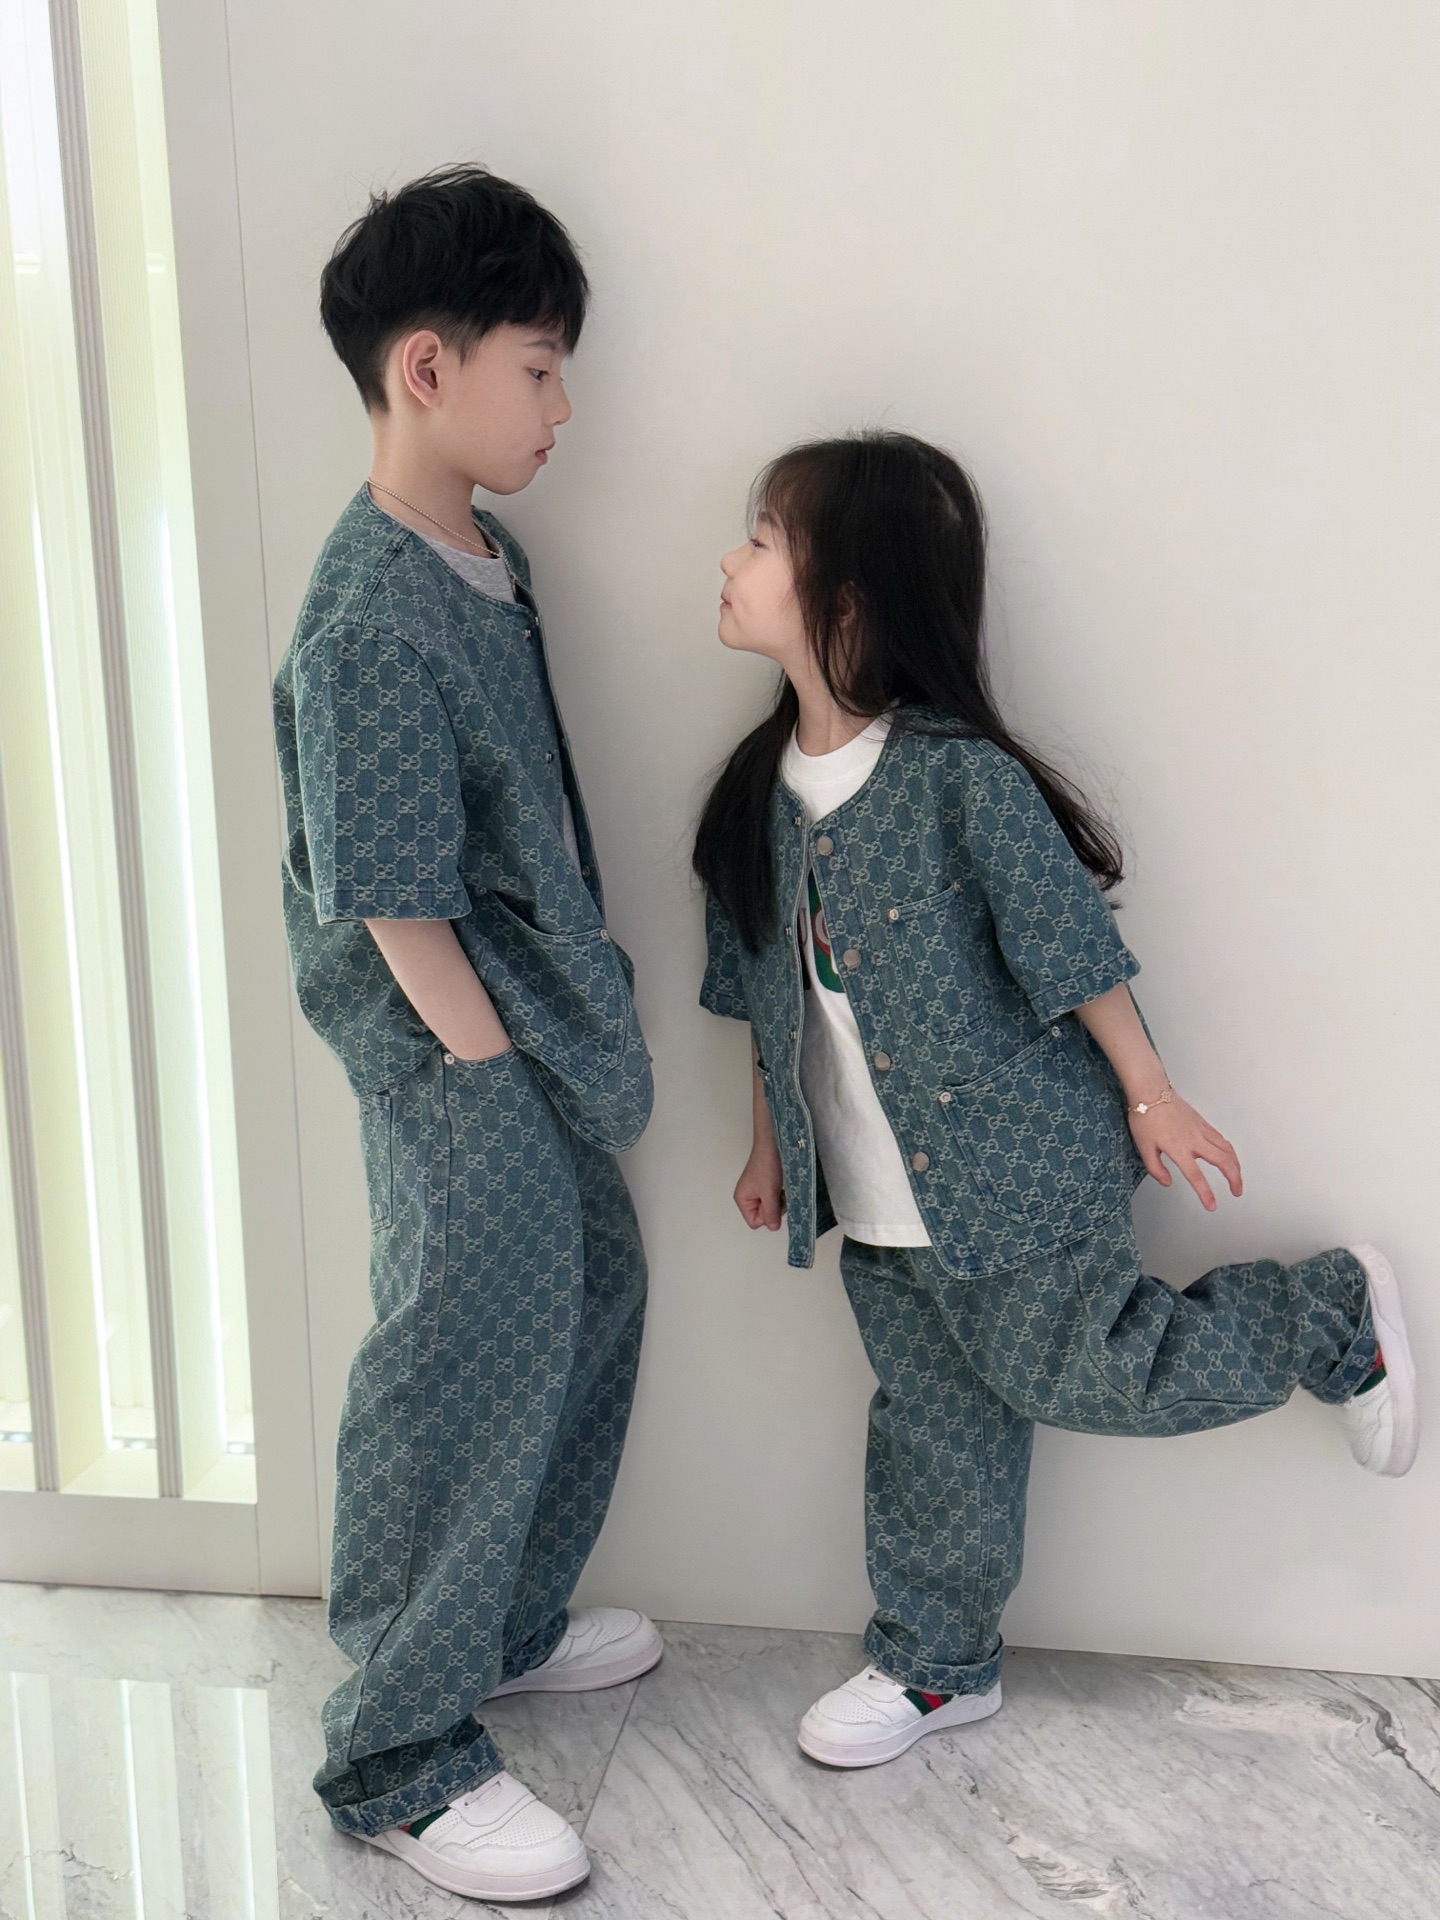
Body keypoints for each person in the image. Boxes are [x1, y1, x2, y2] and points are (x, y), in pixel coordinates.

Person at [694, 429, 1418, 1772]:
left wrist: (1152, 1094)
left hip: (1018, 1178)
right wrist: (767, 1148)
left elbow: (1067, 948)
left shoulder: (956, 779)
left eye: (762, 540)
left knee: (1097, 1371)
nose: (729, 562)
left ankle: (1327, 1317)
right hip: (878, 1208)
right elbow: (764, 997)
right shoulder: (755, 799)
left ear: (847, 600)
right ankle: (935, 1663)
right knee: (932, 1429)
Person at [272, 166, 659, 1903]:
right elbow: (384, 891)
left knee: (593, 1294)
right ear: (426, 369)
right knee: (455, 1363)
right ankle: (399, 1754)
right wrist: (485, 1068)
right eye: (541, 368)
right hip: (453, 1049)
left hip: (531, 1027)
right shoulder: (368, 611)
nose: (564, 407)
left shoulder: (489, 557)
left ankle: (494, 1626)